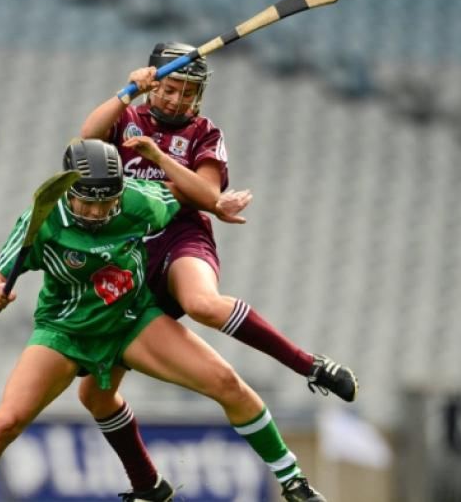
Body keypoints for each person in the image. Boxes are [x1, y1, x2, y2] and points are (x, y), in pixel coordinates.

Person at [0, 138, 326, 502]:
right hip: (64, 333)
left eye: (106, 202)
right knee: (5, 423)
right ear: (69, 191)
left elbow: (186, 195)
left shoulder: (139, 200)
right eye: (87, 202)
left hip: (132, 321)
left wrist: (216, 203)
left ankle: (293, 481)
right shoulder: (43, 220)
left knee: (225, 382)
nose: (97, 211)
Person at [77, 42, 358, 500]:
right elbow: (85, 139)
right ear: (153, 84)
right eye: (170, 89)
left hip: (179, 238)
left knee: (202, 303)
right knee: (94, 395)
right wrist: (127, 92)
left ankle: (308, 365)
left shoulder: (205, 133)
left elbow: (206, 195)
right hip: (126, 256)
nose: (178, 101)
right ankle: (148, 485)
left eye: (188, 92)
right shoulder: (126, 116)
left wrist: (159, 159)